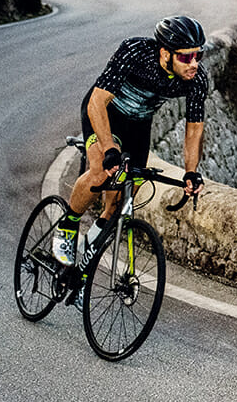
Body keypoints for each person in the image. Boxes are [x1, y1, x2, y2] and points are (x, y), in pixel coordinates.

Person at [52, 15, 209, 267]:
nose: (194, 64)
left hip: (138, 125)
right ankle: (67, 227)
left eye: (198, 56)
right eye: (185, 57)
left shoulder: (196, 81)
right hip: (105, 114)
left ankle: (86, 263)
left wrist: (191, 172)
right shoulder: (134, 53)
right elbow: (97, 102)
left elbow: (194, 130)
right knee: (101, 171)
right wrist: (109, 148)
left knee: (121, 201)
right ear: (165, 53)